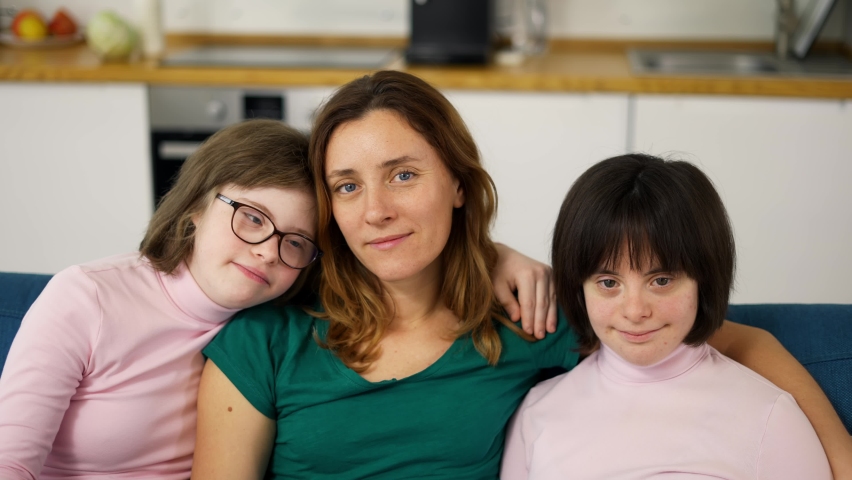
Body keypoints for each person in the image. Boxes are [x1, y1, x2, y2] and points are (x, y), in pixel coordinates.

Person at [192, 71, 852, 480]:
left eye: (403, 174)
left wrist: (841, 460)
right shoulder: (264, 341)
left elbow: (734, 340)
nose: (377, 212)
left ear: (455, 181)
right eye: (346, 186)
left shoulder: (531, 319)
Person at [0, 117, 555, 480]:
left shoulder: (280, 304)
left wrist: (489, 253)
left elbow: (393, 249)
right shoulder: (89, 297)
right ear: (194, 207)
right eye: (250, 218)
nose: (267, 251)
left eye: (294, 240)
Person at [501, 153, 832, 479]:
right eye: (608, 282)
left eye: (661, 281)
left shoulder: (770, 417)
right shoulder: (536, 412)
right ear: (578, 287)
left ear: (704, 278)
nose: (635, 311)